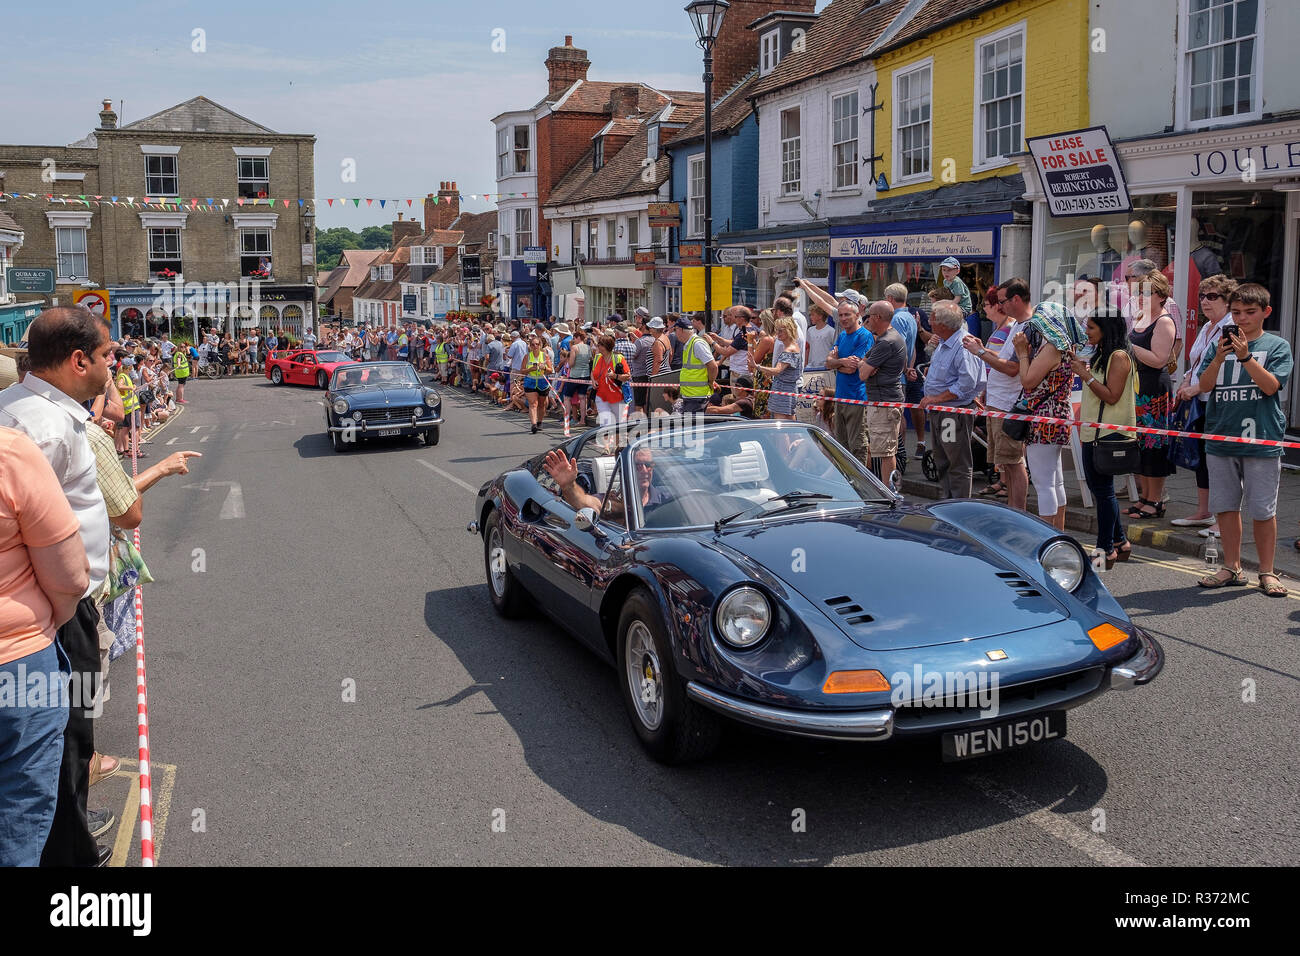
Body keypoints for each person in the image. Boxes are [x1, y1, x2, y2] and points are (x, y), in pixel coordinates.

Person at [0, 306, 116, 867]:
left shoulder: (31, 411)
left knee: (74, 733)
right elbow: (28, 531)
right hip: (55, 615)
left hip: (57, 610)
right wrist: (65, 608)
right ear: (77, 361)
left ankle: (70, 826)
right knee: (66, 740)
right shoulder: (40, 428)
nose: (111, 363)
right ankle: (69, 850)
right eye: (105, 355)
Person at [0, 427, 91, 867]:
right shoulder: (10, 452)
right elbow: (70, 576)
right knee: (19, 807)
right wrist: (50, 620)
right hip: (16, 662)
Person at [1196, 284, 1292, 596]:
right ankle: (1232, 567)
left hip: (1260, 438)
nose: (1242, 318)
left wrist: (1246, 357)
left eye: (1250, 312)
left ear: (1266, 312)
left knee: (1263, 510)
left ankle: (1266, 571)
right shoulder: (1219, 344)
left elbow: (1270, 386)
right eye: (1236, 312)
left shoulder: (1277, 345)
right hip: (1221, 436)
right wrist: (1219, 358)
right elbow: (1205, 385)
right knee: (1224, 506)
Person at [1071, 305, 1135, 568]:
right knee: (1100, 490)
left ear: (1106, 329)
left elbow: (1111, 395)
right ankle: (1119, 541)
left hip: (1110, 432)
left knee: (1104, 491)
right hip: (1093, 430)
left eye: (1091, 327)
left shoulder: (1119, 357)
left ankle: (1105, 549)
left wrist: (1084, 374)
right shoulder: (1101, 354)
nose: (1086, 332)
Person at [1172, 274, 1237, 536]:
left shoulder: (1231, 327)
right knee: (1201, 457)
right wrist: (1186, 381)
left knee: (1219, 461)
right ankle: (1203, 511)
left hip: (1218, 400)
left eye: (1212, 297)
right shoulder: (1207, 326)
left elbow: (1223, 368)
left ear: (1227, 301)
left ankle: (1225, 521)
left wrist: (1196, 388)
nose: (1205, 301)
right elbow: (1197, 361)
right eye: (1202, 296)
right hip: (1198, 399)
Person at [1013, 299, 1084, 530]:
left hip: (1044, 418)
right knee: (1056, 481)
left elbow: (1028, 381)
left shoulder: (1051, 348)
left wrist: (1022, 353)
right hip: (1059, 415)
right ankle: (1059, 532)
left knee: (1044, 484)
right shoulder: (1066, 347)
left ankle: (1047, 536)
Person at [965, 281, 1028, 510]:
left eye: (1001, 301)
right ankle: (1014, 510)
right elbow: (1004, 357)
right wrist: (983, 348)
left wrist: (980, 352)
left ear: (1015, 300)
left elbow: (1012, 368)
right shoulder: (1015, 327)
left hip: (1008, 404)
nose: (999, 306)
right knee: (1007, 464)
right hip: (998, 402)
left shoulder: (1023, 327)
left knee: (1014, 462)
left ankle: (1018, 511)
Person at [1124, 268, 1178, 520]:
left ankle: (1156, 500)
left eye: (1147, 293)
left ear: (1161, 295)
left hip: (1153, 389)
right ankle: (1144, 497)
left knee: (1154, 445)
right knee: (1140, 446)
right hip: (1137, 387)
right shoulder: (1141, 317)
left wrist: (1128, 346)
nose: (1141, 297)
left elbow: (1159, 360)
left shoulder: (1164, 321)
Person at [918, 301, 984, 498]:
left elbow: (967, 383)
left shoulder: (963, 345)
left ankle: (958, 506)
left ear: (943, 324)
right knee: (942, 459)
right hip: (941, 412)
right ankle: (947, 502)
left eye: (932, 318)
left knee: (956, 462)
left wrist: (937, 398)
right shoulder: (945, 341)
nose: (929, 320)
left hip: (951, 414)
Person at [858, 301, 907, 480]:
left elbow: (862, 374)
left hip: (884, 403)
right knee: (883, 450)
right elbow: (864, 363)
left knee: (886, 453)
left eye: (869, 315)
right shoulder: (886, 338)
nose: (867, 319)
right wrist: (866, 364)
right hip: (882, 401)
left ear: (878, 317)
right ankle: (886, 488)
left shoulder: (886, 341)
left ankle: (889, 491)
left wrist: (865, 365)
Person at [823, 297, 874, 468]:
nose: (843, 318)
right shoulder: (842, 335)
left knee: (858, 446)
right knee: (842, 446)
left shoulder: (865, 336)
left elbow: (853, 368)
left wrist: (838, 362)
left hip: (857, 398)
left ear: (857, 314)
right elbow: (827, 362)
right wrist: (841, 363)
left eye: (847, 315)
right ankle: (847, 482)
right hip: (840, 397)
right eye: (841, 315)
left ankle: (861, 485)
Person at [754, 316, 803, 421]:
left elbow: (777, 370)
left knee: (781, 424)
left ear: (789, 330)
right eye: (777, 330)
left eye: (781, 330)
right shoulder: (793, 346)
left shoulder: (789, 350)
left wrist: (757, 367)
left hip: (783, 389)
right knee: (790, 422)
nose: (778, 333)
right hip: (786, 389)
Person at [674, 317, 717, 415]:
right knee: (691, 427)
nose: (675, 333)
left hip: (697, 397)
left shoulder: (697, 344)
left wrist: (711, 381)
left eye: (675, 330)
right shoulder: (690, 344)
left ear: (680, 330)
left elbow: (713, 366)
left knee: (693, 428)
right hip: (692, 396)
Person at [592, 334, 631, 428]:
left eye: (600, 345)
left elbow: (628, 376)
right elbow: (593, 372)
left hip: (617, 396)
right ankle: (606, 443)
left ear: (606, 346)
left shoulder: (619, 358)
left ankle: (618, 442)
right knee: (605, 424)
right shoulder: (597, 357)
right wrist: (593, 381)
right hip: (601, 396)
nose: (598, 347)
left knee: (619, 425)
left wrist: (615, 376)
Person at [521, 331, 554, 434]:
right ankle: (533, 424)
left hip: (542, 382)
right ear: (530, 346)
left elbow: (550, 370)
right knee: (533, 404)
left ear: (540, 345)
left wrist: (544, 367)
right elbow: (522, 370)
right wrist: (531, 369)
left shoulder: (545, 356)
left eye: (537, 344)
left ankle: (539, 422)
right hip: (530, 382)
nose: (535, 346)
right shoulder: (527, 356)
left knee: (541, 404)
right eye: (533, 344)